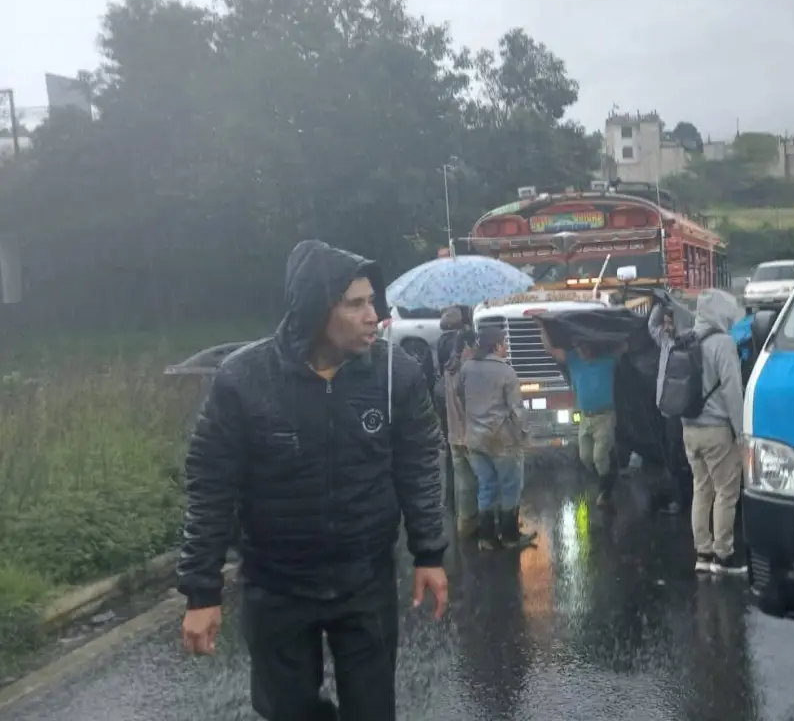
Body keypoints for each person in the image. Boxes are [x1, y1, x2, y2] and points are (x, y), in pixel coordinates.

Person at [177, 239, 449, 721]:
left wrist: (429, 552)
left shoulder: (395, 375)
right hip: (275, 584)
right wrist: (202, 592)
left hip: (365, 582)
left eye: (373, 302)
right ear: (315, 309)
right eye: (356, 304)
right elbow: (211, 484)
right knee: (288, 711)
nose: (374, 316)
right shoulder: (243, 380)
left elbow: (420, 462)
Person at [681, 288, 746, 576]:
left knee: (701, 488)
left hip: (689, 428)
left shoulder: (686, 339)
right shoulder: (723, 343)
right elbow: (733, 390)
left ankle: (702, 553)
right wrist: (742, 431)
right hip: (717, 430)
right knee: (726, 492)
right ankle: (723, 556)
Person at [460, 325, 537, 550]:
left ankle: (486, 538)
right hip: (501, 440)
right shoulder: (506, 372)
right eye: (505, 343)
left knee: (486, 486)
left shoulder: (467, 367)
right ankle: (511, 537)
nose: (507, 347)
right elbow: (516, 409)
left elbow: (459, 395)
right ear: (496, 345)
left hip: (474, 438)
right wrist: (525, 434)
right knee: (510, 486)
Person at [538, 324, 625, 507]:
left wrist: (614, 329)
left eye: (584, 347)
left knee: (599, 455)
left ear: (592, 347)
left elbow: (624, 347)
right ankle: (607, 477)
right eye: (578, 348)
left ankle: (606, 492)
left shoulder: (606, 360)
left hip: (604, 417)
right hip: (586, 417)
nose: (581, 351)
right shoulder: (573, 360)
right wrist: (541, 324)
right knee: (586, 457)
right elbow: (550, 349)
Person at [648, 298, 690, 515]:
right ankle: (681, 498)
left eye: (670, 322)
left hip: (681, 412)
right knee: (673, 455)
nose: (666, 326)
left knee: (680, 456)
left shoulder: (686, 343)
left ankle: (683, 501)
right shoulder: (664, 340)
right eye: (665, 322)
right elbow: (651, 326)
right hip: (666, 409)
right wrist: (660, 305)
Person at [443, 328, 479, 541]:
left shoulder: (449, 369)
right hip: (470, 435)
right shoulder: (467, 371)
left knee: (464, 485)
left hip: (454, 434)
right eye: (473, 345)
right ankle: (489, 526)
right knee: (485, 482)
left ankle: (465, 526)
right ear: (466, 346)